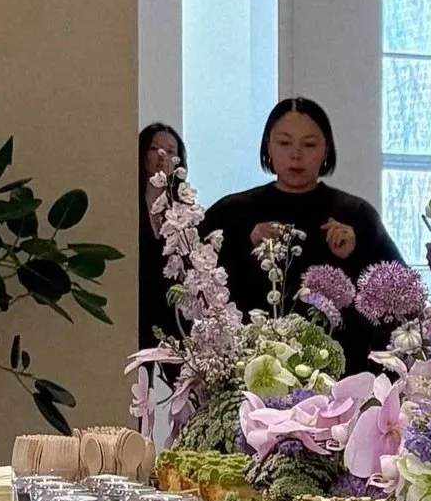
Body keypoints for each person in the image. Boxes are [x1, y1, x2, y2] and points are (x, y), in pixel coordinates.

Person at [199, 98, 412, 368]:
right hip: (248, 372)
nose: (296, 155)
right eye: (285, 143)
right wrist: (244, 245)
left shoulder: (356, 215)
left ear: (326, 150)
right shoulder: (231, 213)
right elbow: (195, 287)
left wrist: (356, 255)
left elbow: (401, 298)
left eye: (309, 145)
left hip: (341, 376)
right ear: (268, 146)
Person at [137, 121, 185, 345]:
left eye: (171, 151)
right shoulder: (130, 203)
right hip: (137, 309)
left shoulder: (182, 207)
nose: (163, 156)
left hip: (173, 313)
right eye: (155, 148)